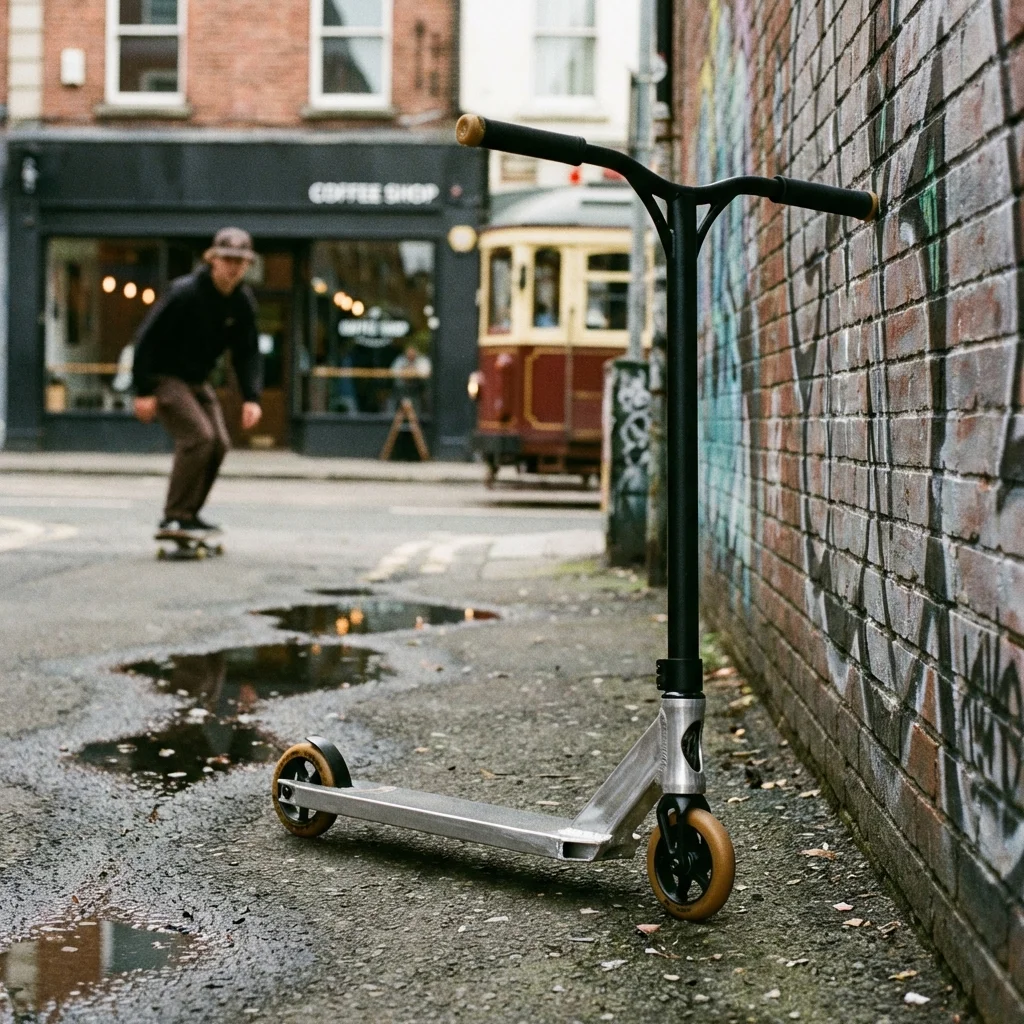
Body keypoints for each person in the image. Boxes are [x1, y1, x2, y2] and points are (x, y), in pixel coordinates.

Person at [132, 227, 263, 534]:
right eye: (227, 259)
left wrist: (252, 397)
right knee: (199, 437)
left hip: (196, 379)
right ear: (212, 260)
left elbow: (247, 353)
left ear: (248, 265)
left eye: (240, 261)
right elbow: (146, 339)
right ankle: (174, 514)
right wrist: (143, 390)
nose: (233, 267)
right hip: (164, 376)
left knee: (219, 444)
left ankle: (189, 513)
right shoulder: (185, 292)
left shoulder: (242, 302)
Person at [389, 343, 431, 413]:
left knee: (426, 390)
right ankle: (392, 414)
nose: (410, 355)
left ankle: (422, 415)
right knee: (398, 386)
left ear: (416, 353)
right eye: (408, 353)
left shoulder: (422, 360)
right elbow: (392, 372)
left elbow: (426, 373)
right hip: (402, 388)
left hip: (418, 387)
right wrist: (405, 372)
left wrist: (414, 371)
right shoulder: (400, 359)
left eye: (412, 353)